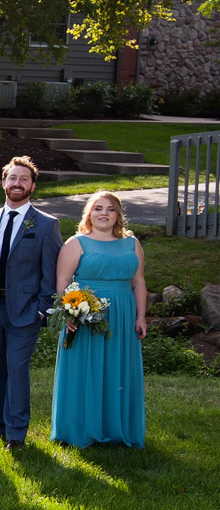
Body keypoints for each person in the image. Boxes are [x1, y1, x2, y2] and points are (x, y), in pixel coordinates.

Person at [0, 156, 62, 450]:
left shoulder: (46, 225)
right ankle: (1, 426)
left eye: (23, 179)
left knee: (16, 368)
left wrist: (42, 309)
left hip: (26, 312)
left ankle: (17, 434)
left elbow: (51, 272)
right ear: (4, 182)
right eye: (12, 178)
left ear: (32, 185)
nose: (17, 183)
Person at [50, 191, 147, 448]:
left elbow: (138, 282)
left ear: (118, 215)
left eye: (110, 209)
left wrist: (141, 316)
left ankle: (116, 428)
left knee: (118, 367)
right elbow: (62, 283)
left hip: (123, 315)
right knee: (86, 369)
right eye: (98, 208)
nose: (104, 213)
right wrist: (68, 314)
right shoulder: (76, 243)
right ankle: (80, 428)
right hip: (86, 316)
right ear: (89, 214)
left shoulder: (132, 243)